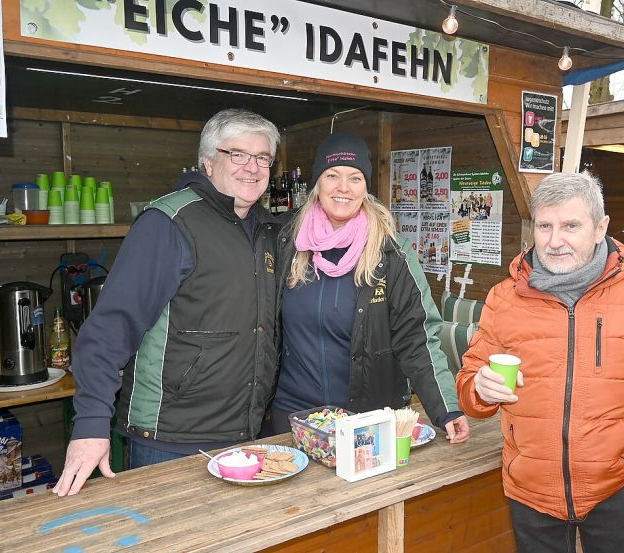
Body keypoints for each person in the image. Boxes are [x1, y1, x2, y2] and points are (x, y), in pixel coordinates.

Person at [53, 109, 281, 496]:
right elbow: (110, 327)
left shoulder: (268, 229)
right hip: (170, 439)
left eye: (263, 158)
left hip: (244, 434)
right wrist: (91, 423)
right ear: (208, 162)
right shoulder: (169, 222)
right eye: (237, 154)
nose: (252, 167)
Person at [456, 172, 624, 553]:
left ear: (600, 227)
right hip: (530, 488)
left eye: (570, 225)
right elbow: (471, 382)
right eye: (545, 226)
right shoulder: (504, 297)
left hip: (618, 489)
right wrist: (478, 387)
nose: (554, 241)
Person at [264, 132, 469, 444]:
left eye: (355, 177)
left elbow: (419, 336)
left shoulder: (391, 253)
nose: (343, 187)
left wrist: (446, 409)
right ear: (318, 183)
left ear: (365, 187)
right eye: (332, 175)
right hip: (293, 416)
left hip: (365, 418)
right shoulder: (287, 243)